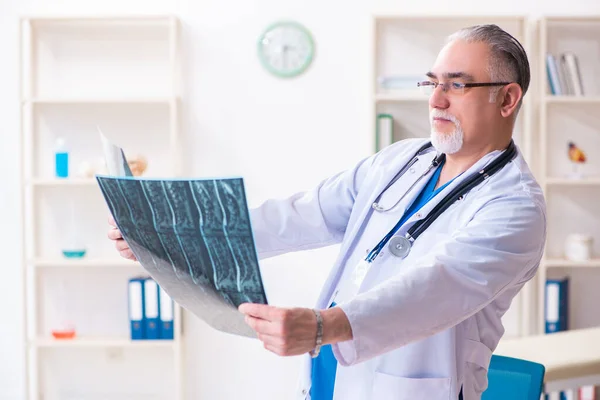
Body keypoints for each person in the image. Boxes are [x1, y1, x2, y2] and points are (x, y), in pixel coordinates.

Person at [108, 24, 546, 400]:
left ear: (507, 99)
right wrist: (172, 232)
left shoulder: (515, 207)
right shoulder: (401, 160)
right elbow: (304, 214)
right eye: (432, 83)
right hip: (329, 375)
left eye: (457, 84)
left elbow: (435, 288)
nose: (436, 100)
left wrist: (323, 326)